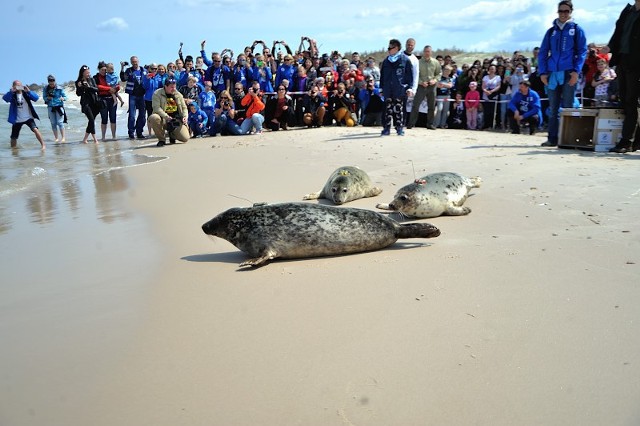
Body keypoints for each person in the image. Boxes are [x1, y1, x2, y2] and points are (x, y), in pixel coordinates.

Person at [538, 0, 588, 146]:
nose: (563, 14)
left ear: (571, 12)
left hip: (568, 72)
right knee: (553, 109)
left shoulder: (577, 29)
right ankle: (552, 138)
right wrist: (543, 72)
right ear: (557, 12)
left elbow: (582, 51)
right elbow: (542, 53)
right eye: (561, 11)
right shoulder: (551, 31)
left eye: (566, 11)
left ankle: (568, 139)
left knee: (568, 107)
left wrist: (575, 72)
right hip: (552, 73)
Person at [603, 0, 640, 153]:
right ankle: (636, 140)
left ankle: (626, 141)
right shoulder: (628, 11)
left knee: (632, 100)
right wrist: (610, 46)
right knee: (625, 99)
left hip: (637, 63)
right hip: (622, 60)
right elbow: (618, 32)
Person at [379, 38, 414, 136]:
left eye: (391, 47)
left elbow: (410, 76)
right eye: (388, 47)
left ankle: (400, 128)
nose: (388, 49)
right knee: (387, 109)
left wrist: (409, 87)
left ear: (397, 48)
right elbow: (383, 75)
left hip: (400, 89)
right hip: (387, 89)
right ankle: (386, 128)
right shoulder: (386, 61)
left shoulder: (405, 60)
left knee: (399, 109)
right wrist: (381, 88)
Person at [3, 80, 45, 149]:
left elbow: (36, 98)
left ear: (22, 86)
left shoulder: (26, 93)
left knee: (35, 129)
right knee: (13, 137)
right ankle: (13, 150)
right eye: (16, 85)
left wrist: (29, 91)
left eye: (19, 85)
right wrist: (11, 92)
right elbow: (5, 99)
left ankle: (43, 145)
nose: (18, 87)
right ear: (13, 86)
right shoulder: (12, 95)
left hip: (28, 117)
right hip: (17, 119)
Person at [148, 78, 190, 147]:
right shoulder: (157, 93)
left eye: (174, 87)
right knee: (153, 117)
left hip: (176, 120)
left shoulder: (178, 94)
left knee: (185, 138)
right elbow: (156, 108)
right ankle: (162, 139)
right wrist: (166, 116)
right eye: (171, 87)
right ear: (165, 86)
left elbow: (184, 107)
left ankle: (172, 134)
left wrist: (185, 116)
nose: (174, 89)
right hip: (163, 119)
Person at [120, 56, 147, 139]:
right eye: (133, 62)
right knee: (132, 116)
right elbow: (123, 79)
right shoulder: (129, 70)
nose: (134, 63)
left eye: (136, 61)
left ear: (138, 61)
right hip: (133, 96)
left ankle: (139, 132)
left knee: (142, 116)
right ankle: (131, 133)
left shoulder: (144, 70)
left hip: (142, 96)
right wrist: (122, 68)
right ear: (131, 62)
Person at [94, 61, 118, 141]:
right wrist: (108, 88)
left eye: (105, 70)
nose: (104, 71)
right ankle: (103, 137)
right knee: (104, 119)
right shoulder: (96, 77)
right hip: (102, 99)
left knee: (113, 118)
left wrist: (116, 89)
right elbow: (97, 86)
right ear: (98, 69)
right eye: (102, 70)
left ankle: (114, 136)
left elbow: (117, 85)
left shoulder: (110, 75)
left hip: (112, 99)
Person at [43, 74, 67, 142]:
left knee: (60, 122)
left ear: (55, 81)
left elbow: (65, 97)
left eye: (53, 82)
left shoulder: (59, 88)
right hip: (50, 107)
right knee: (53, 123)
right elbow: (44, 98)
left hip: (59, 107)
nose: (51, 84)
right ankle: (56, 138)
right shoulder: (45, 88)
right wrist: (48, 98)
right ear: (48, 82)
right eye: (50, 83)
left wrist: (63, 98)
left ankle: (63, 138)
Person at [481, 64, 502, 129]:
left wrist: (491, 91)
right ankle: (486, 124)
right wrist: (486, 91)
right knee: (486, 111)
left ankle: (491, 125)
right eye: (490, 69)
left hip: (493, 95)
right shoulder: (485, 77)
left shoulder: (498, 77)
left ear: (495, 70)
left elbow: (498, 86)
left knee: (492, 111)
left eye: (493, 69)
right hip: (486, 95)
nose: (491, 70)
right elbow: (483, 86)